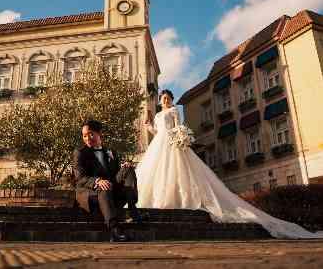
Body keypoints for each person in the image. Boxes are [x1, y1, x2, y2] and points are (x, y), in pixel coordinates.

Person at [136, 89, 323, 239]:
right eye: (163, 99)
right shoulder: (159, 116)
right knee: (161, 173)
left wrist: (181, 137)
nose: (166, 101)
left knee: (179, 172)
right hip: (159, 145)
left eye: (168, 98)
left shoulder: (174, 111)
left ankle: (182, 200)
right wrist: (147, 125)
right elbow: (156, 131)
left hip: (172, 144)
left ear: (171, 99)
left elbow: (178, 127)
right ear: (160, 101)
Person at [72, 119, 141, 242]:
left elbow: (115, 176)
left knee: (128, 170)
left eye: (90, 134)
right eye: (84, 136)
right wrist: (97, 181)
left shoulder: (111, 152)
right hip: (88, 191)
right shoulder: (80, 153)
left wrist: (123, 167)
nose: (87, 138)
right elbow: (80, 178)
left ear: (100, 134)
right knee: (104, 186)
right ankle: (114, 230)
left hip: (110, 191)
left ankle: (132, 210)